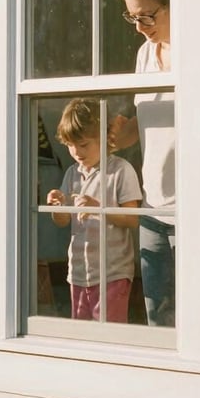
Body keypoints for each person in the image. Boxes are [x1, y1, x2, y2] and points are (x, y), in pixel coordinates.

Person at [110, 0, 176, 326]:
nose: (139, 28)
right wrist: (124, 134)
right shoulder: (145, 54)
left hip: (198, 210)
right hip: (153, 209)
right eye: (132, 17)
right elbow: (151, 120)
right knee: (159, 321)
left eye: (147, 17)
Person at [47, 98, 142, 322]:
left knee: (109, 336)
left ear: (103, 138)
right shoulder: (72, 173)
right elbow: (62, 221)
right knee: (81, 336)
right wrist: (57, 206)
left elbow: (133, 219)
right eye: (70, 145)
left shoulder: (120, 170)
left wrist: (99, 209)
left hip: (112, 272)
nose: (76, 152)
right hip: (79, 273)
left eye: (83, 144)